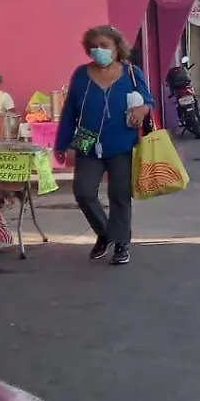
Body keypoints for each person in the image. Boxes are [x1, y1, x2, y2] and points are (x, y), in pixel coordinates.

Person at [55, 25, 155, 265]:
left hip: (121, 143)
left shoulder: (131, 72)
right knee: (83, 192)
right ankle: (106, 233)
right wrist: (61, 142)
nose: (98, 51)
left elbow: (149, 101)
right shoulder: (81, 74)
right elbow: (70, 110)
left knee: (119, 195)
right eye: (94, 47)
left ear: (116, 48)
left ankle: (121, 243)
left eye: (104, 46)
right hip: (87, 143)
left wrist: (142, 109)